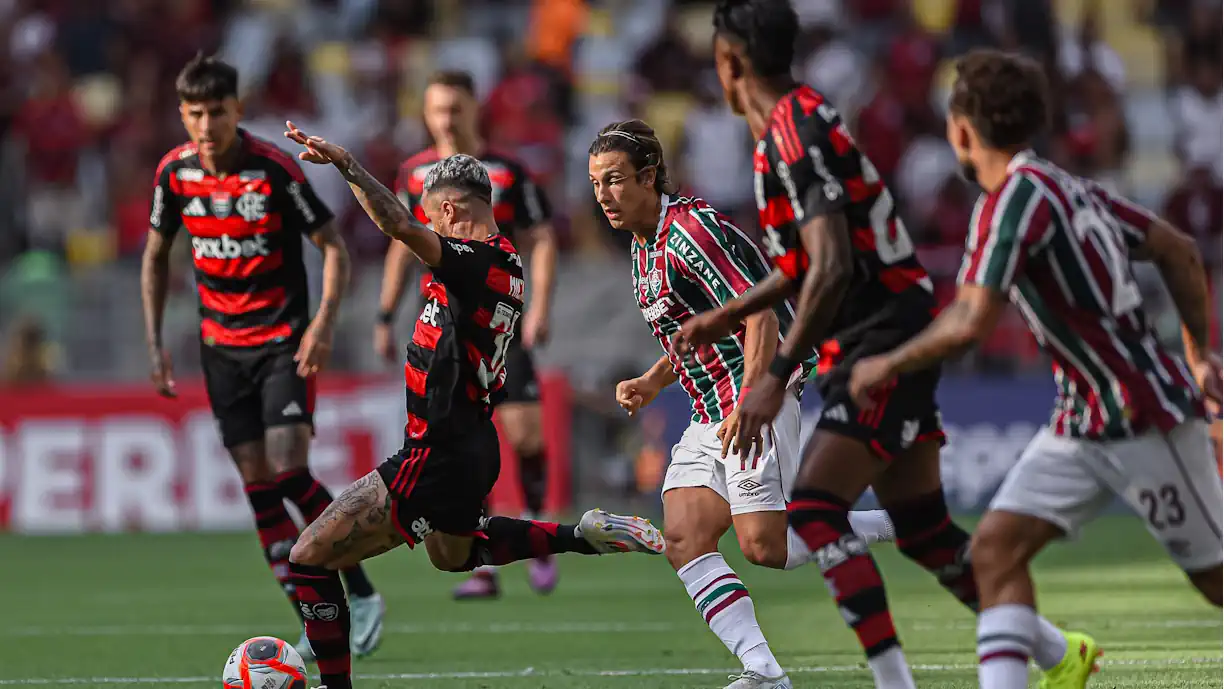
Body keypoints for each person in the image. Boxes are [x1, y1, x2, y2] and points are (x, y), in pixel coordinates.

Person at [674, 3, 1092, 688]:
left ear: (729, 60)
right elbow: (805, 262)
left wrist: (774, 373)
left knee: (813, 507)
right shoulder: (788, 128)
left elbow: (832, 265)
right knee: (925, 530)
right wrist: (729, 313)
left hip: (882, 335)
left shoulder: (795, 133)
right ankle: (1058, 654)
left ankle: (895, 681)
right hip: (874, 329)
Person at [848, 49, 1224, 689]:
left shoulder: (1012, 201)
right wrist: (1201, 352)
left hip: (1140, 415)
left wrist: (887, 362)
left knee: (1217, 581)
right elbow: (1176, 247)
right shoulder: (1064, 186)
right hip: (1081, 421)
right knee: (994, 551)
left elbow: (970, 322)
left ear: (963, 129)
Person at [278, 125, 664, 689]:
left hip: (436, 451)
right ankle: (580, 535)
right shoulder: (497, 265)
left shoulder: (476, 262)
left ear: (453, 211)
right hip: (470, 448)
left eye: (435, 218)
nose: (428, 231)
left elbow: (397, 224)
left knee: (308, 556)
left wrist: (347, 165)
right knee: (454, 556)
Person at [591, 119, 896, 689]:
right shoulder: (641, 249)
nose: (603, 195)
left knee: (764, 546)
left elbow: (757, 316)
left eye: (614, 180)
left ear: (650, 176)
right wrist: (656, 380)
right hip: (708, 412)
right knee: (684, 538)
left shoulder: (690, 233)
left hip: (753, 400)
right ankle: (764, 673)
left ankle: (885, 523)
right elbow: (695, 330)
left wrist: (754, 398)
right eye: (595, 184)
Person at [140, 54, 384, 661]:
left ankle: (359, 591)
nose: (205, 124)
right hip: (220, 351)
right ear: (181, 114)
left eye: (216, 112)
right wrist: (155, 340)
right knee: (257, 490)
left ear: (237, 110)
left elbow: (334, 248)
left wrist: (323, 323)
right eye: (194, 113)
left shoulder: (273, 169)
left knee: (288, 472)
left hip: (282, 342)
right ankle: (312, 612)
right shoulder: (174, 173)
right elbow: (154, 255)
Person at [378, 71, 560, 599]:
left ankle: (539, 521)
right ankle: (482, 562)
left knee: (525, 433)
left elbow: (541, 237)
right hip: (444, 322)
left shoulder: (505, 172)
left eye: (455, 109)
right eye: (437, 110)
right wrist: (385, 314)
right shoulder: (414, 174)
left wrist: (541, 306)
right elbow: (399, 243)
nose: (446, 120)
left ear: (474, 109)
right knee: (457, 435)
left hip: (498, 318)